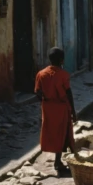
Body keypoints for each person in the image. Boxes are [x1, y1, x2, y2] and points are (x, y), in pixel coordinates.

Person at [35, 47, 78, 176]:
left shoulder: (41, 74)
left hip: (48, 107)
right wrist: (73, 111)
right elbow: (68, 93)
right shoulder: (64, 75)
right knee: (62, 132)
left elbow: (37, 92)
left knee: (51, 131)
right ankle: (57, 162)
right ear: (61, 60)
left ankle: (59, 160)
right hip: (61, 107)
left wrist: (45, 99)